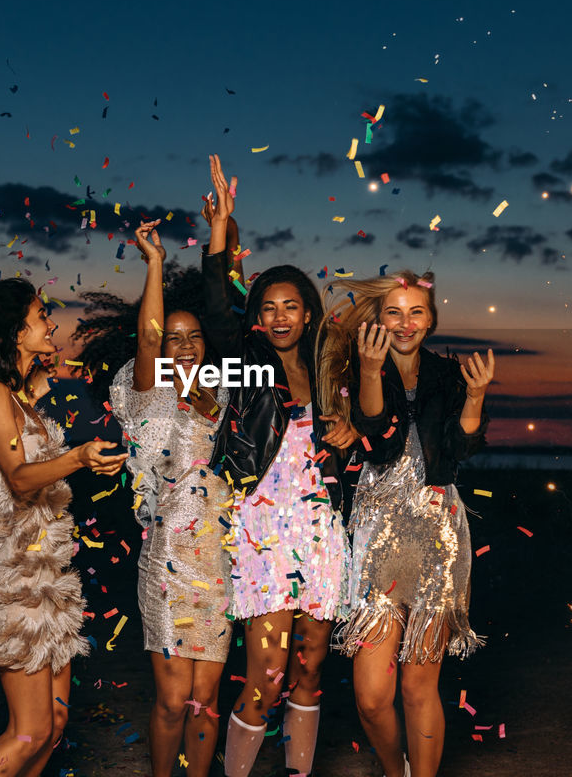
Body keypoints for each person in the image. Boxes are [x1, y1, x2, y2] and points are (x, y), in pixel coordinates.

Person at [0, 277, 128, 776]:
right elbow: (18, 478)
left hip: (46, 573)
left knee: (54, 726)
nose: (52, 323)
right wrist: (79, 456)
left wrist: (84, 460)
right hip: (12, 573)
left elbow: (39, 469)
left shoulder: (19, 399)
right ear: (15, 331)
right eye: (41, 316)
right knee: (29, 730)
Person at [199, 155, 358, 777]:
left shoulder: (328, 371)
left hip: (323, 530)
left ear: (308, 313)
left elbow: (359, 435)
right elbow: (217, 308)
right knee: (265, 675)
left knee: (312, 667)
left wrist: (351, 435)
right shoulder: (247, 364)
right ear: (257, 317)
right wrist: (222, 232)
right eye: (268, 308)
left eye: (290, 306)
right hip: (266, 529)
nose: (279, 317)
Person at [318, 271, 494, 777]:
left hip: (440, 531)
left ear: (431, 318)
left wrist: (476, 395)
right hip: (379, 534)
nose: (405, 322)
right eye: (393, 312)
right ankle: (397, 770)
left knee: (420, 686)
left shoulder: (449, 375)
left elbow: (459, 450)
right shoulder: (354, 370)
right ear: (378, 319)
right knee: (373, 696)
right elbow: (381, 438)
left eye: (415, 312)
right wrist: (372, 373)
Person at [108, 217, 234, 777]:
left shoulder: (231, 394)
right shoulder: (146, 396)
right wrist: (155, 263)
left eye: (194, 337)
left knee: (207, 698)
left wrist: (224, 236)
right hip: (168, 563)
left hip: (223, 561)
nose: (181, 346)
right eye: (174, 338)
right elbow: (148, 338)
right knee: (170, 699)